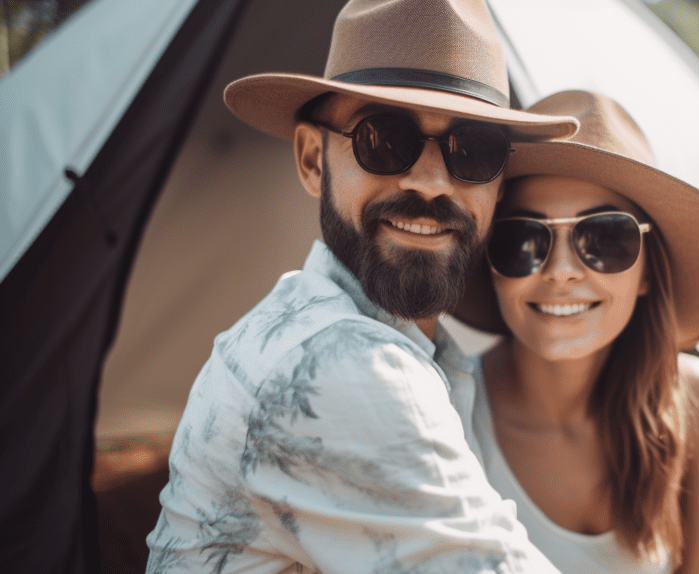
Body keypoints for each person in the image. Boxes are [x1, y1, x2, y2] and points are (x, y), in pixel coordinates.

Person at [144, 1, 579, 572]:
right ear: (311, 159)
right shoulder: (338, 364)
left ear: (499, 187)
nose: (430, 181)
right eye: (384, 138)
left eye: (473, 150)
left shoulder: (424, 358)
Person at [453, 91, 699, 573]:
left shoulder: (693, 404)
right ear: (490, 264)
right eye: (524, 239)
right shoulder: (446, 411)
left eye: (605, 237)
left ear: (649, 273)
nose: (561, 271)